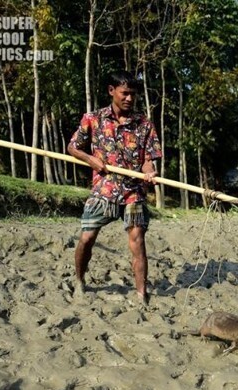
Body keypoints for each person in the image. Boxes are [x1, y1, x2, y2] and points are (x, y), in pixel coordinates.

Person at [68, 70, 162, 305]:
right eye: (125, 93)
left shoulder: (144, 125)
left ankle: (141, 295)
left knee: (138, 240)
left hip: (134, 191)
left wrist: (149, 171)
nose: (129, 98)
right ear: (112, 91)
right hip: (104, 190)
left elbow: (148, 158)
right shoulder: (93, 119)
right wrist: (91, 160)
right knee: (88, 237)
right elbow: (72, 147)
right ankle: (79, 281)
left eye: (133, 94)